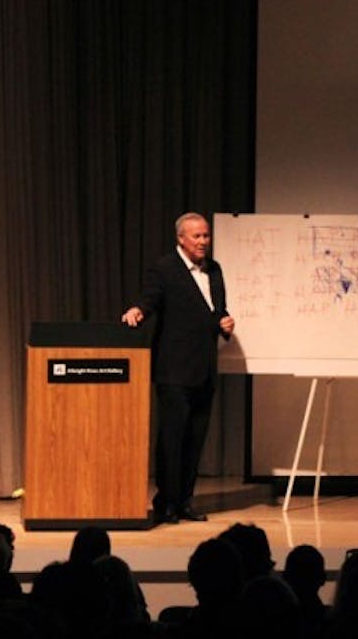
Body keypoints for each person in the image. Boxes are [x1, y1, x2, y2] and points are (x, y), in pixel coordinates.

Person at [121, 212, 235, 524]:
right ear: (181, 239)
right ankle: (166, 502)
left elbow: (216, 311)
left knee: (195, 439)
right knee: (172, 437)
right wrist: (137, 311)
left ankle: (185, 501)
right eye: (197, 236)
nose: (203, 242)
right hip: (173, 369)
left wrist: (225, 323)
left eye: (206, 236)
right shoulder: (165, 268)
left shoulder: (214, 270)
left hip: (204, 368)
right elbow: (150, 300)